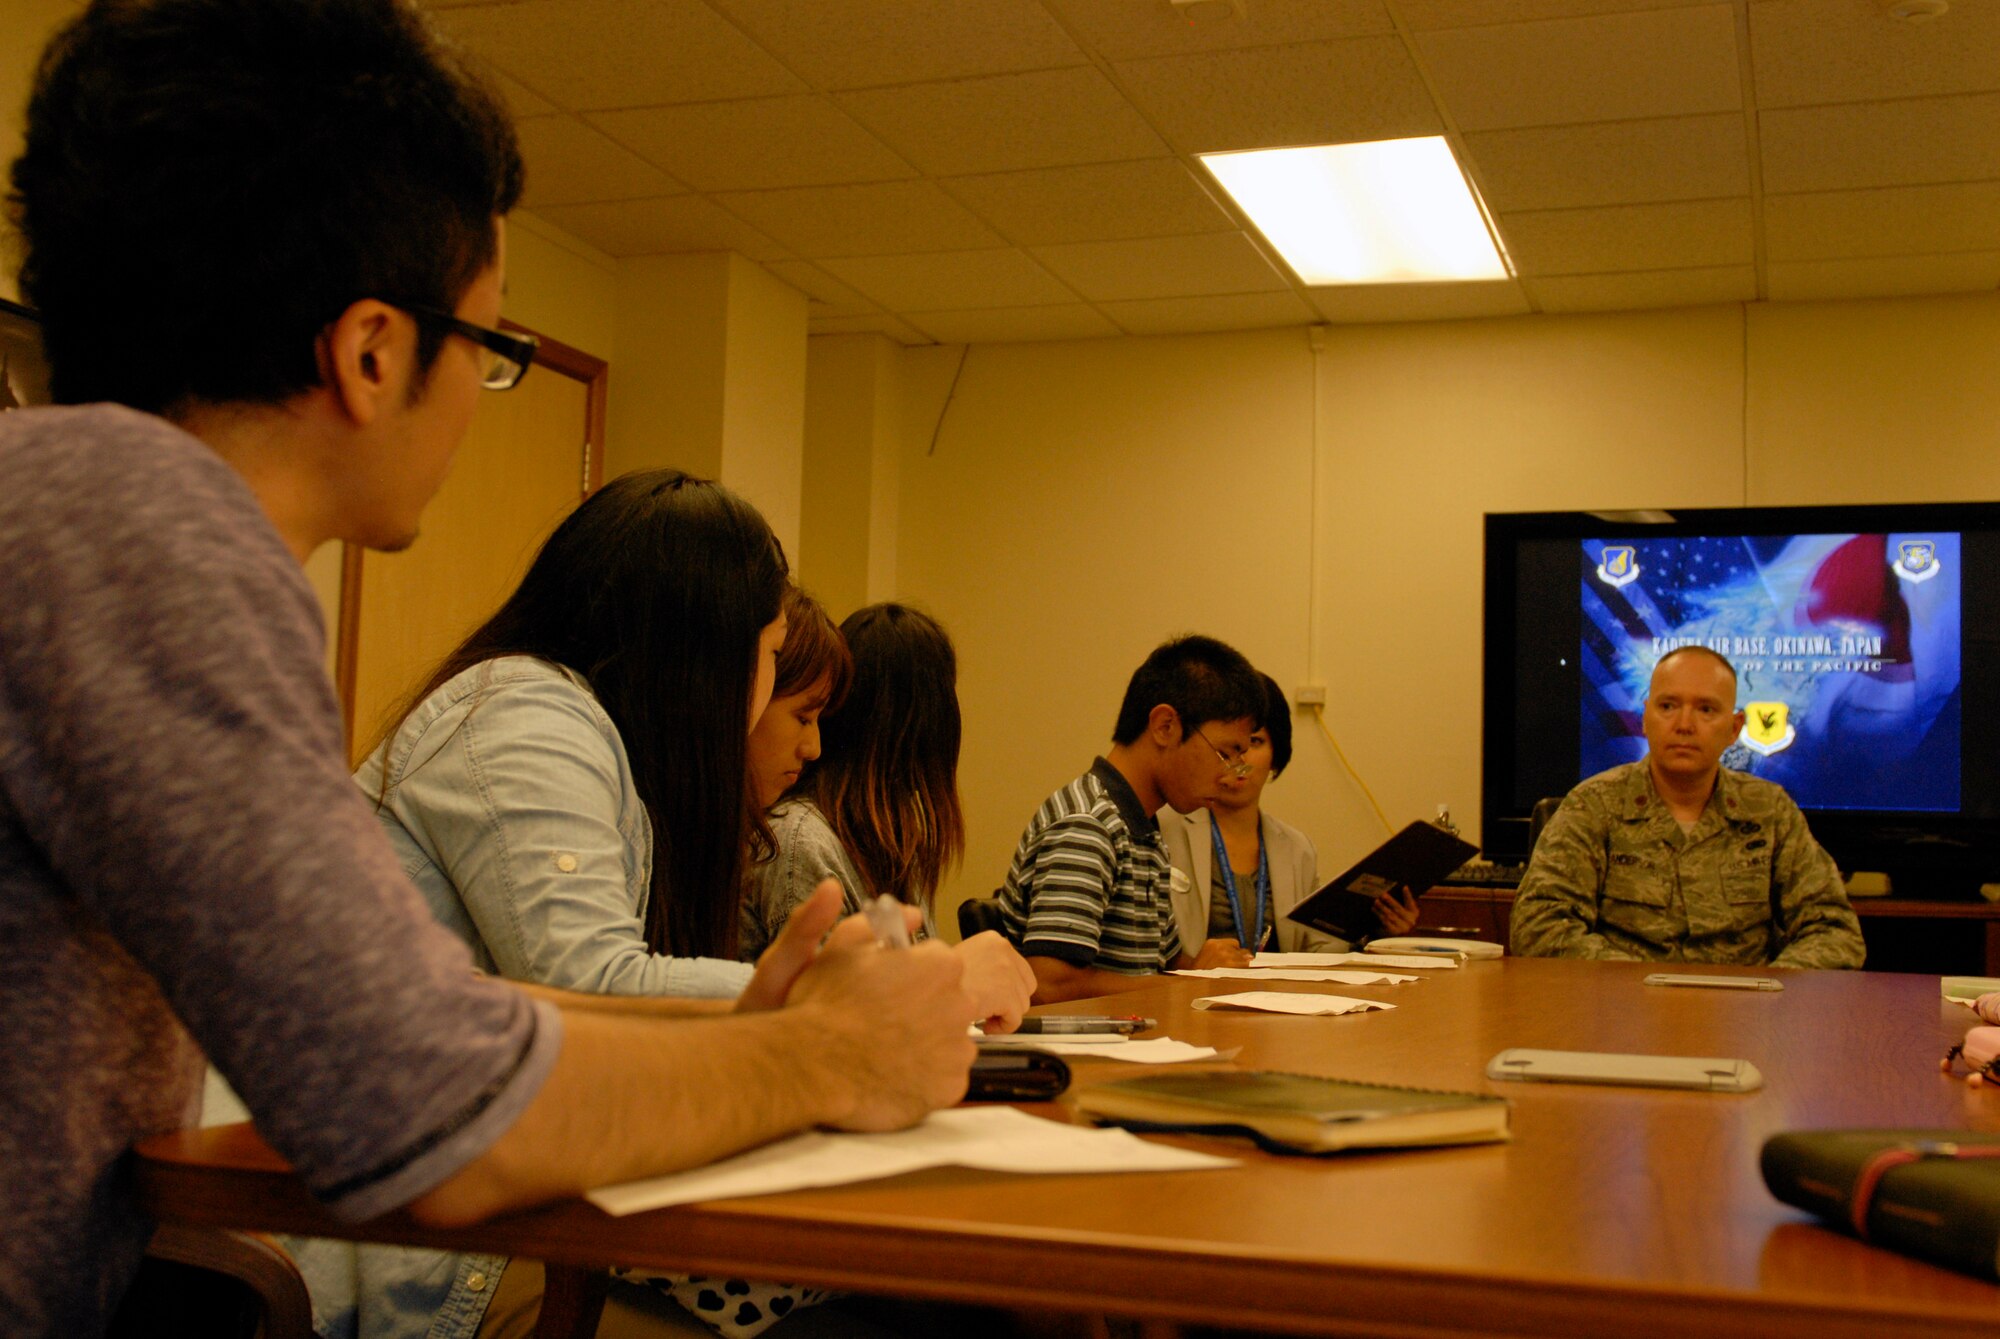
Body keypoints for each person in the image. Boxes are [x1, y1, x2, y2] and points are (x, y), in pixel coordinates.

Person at [0, 4, 971, 1335]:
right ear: (374, 349)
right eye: (494, 350)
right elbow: (427, 1106)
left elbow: (416, 1010)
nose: (478, 392)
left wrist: (754, 1021)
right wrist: (832, 1050)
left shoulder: (65, 513)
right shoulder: (139, 533)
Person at [744, 603, 1034, 1033]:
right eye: (804, 716)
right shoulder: (802, 841)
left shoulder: (889, 846)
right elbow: (831, 1027)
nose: (813, 744)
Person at [1510, 646, 1865, 967]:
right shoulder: (1593, 806)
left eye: (1706, 709)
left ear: (1734, 728)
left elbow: (1834, 931)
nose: (1684, 725)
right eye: (1668, 707)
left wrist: (1771, 991)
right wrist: (1639, 985)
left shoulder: (1769, 811)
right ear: (1645, 718)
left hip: (1745, 1022)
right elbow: (1539, 924)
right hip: (1621, 1017)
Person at [994, 635, 1267, 1004]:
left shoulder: (1144, 828)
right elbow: (1050, 984)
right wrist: (1190, 985)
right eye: (1224, 754)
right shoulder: (1088, 824)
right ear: (1165, 726)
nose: (1229, 775)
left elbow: (1161, 966)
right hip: (1081, 1053)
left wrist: (1208, 967)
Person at [1160, 674, 1419, 956]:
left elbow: (1321, 950)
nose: (1241, 757)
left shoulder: (1298, 849)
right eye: (1232, 746)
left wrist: (1380, 936)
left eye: (1255, 742)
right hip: (1191, 996)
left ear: (1275, 756)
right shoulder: (1165, 829)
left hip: (1277, 997)